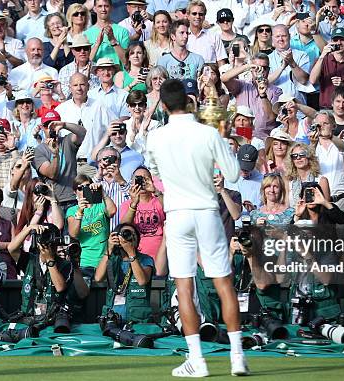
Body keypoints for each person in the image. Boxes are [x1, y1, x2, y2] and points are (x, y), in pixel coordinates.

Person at [146, 79, 247, 376]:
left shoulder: (156, 136)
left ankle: (198, 361)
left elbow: (154, 175)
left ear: (164, 106)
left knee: (184, 287)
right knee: (223, 283)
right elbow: (233, 174)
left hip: (179, 214)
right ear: (189, 104)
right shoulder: (207, 133)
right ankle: (237, 357)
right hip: (205, 212)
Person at [94, 222, 154, 321]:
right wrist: (108, 249)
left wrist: (131, 253)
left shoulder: (145, 259)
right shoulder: (112, 259)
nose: (130, 237)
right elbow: (98, 278)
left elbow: (142, 281)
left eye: (133, 235)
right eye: (125, 234)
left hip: (137, 317)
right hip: (113, 315)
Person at [31, 110, 86, 215]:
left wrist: (64, 125)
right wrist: (55, 154)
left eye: (54, 124)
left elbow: (83, 132)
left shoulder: (67, 141)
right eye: (47, 125)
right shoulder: (38, 150)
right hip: (52, 202)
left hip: (73, 198)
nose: (51, 128)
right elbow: (52, 174)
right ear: (42, 128)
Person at [67, 175, 116, 276]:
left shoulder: (100, 205)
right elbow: (73, 233)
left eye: (88, 186)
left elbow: (112, 211)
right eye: (80, 188)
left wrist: (102, 192)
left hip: (105, 259)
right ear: (75, 192)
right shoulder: (72, 210)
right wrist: (80, 211)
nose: (85, 190)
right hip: (86, 262)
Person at [309, 27, 344, 108]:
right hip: (326, 109)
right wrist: (322, 55)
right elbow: (312, 80)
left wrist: (343, 86)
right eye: (335, 40)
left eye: (342, 40)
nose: (339, 43)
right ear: (331, 42)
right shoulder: (323, 60)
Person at [84, 0, 130, 66]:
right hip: (94, 75)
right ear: (94, 8)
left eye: (106, 6)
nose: (103, 9)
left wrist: (113, 40)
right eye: (100, 6)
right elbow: (85, 63)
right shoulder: (86, 34)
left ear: (111, 8)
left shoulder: (123, 31)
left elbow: (126, 61)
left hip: (118, 74)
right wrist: (97, 44)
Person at [287, 143, 331, 208]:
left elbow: (326, 207)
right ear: (292, 160)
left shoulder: (321, 180)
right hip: (294, 216)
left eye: (302, 155)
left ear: (309, 157)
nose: (298, 158)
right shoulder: (289, 182)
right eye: (294, 156)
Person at [186, 1, 228, 66]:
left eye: (201, 14)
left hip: (210, 74)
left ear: (204, 17)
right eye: (194, 14)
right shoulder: (182, 36)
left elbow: (221, 63)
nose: (197, 16)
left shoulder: (214, 36)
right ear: (188, 16)